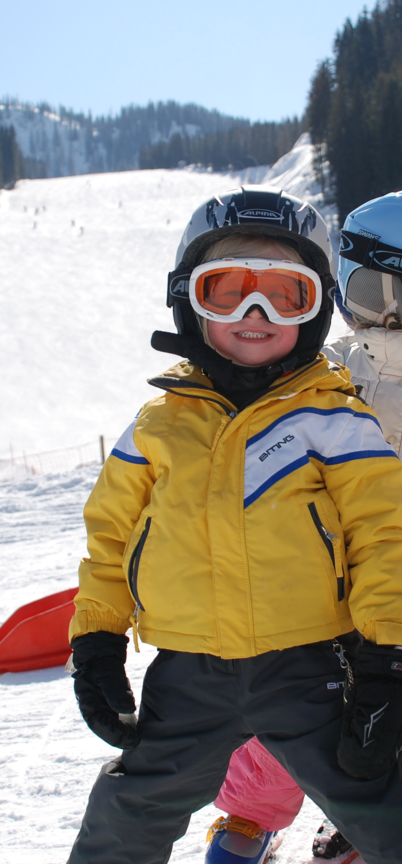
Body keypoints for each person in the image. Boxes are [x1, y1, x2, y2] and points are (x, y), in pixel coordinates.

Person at [66, 186, 402, 864]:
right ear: (187, 298)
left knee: (370, 789)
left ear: (314, 309)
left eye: (286, 295)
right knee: (132, 803)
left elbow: (381, 533)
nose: (256, 315)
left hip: (307, 659)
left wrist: (384, 655)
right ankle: (245, 828)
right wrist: (96, 635)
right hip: (189, 669)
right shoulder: (160, 424)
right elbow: (112, 536)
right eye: (228, 292)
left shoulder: (332, 417)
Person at [205, 190, 402, 864]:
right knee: (290, 720)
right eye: (377, 292)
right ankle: (248, 826)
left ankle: (353, 819)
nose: (394, 315)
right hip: (322, 589)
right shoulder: (326, 374)